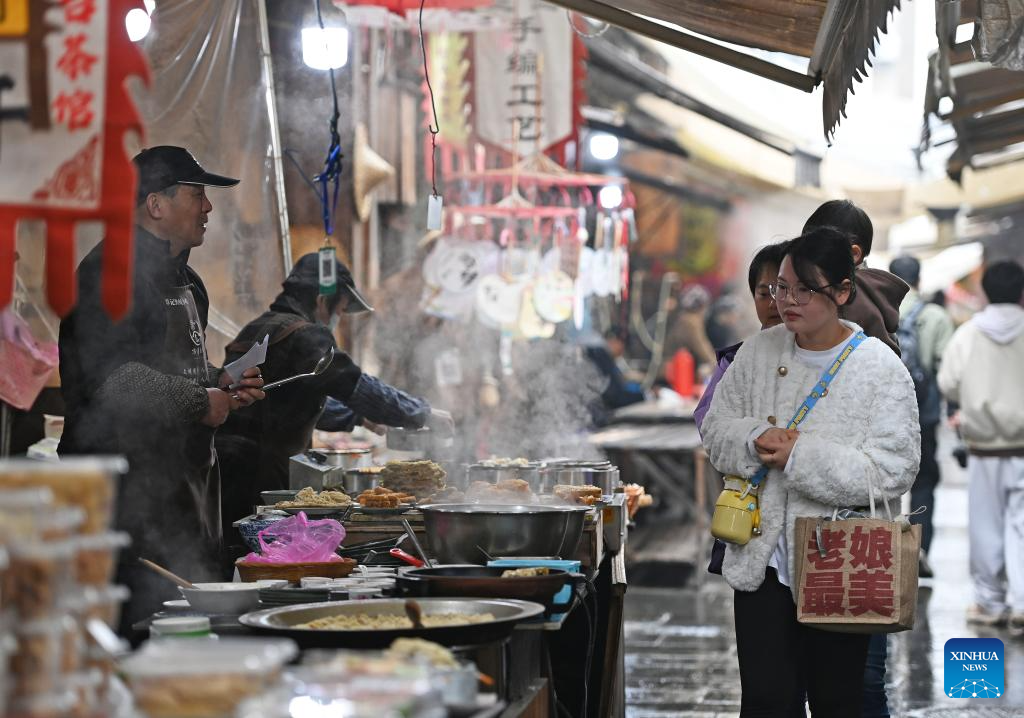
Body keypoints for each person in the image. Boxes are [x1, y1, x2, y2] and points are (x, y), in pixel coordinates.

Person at [702, 228, 919, 717]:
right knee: (765, 700)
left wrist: (801, 456)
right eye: (780, 287)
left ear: (842, 292)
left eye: (804, 289)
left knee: (836, 700)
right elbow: (716, 428)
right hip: (760, 557)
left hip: (837, 562)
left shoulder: (878, 368)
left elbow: (894, 468)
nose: (787, 301)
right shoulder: (758, 352)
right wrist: (754, 439)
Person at [58, 146, 266, 635]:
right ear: (156, 204)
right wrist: (201, 401)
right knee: (140, 637)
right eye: (197, 195)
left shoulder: (186, 279)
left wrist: (219, 379)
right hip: (126, 503)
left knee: (192, 634)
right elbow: (113, 380)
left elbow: (170, 365)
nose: (208, 208)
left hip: (184, 493)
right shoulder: (107, 276)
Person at [215, 253, 450, 543]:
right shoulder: (305, 336)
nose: (336, 320)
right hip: (259, 476)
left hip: (226, 472)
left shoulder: (258, 326)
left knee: (238, 550)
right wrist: (421, 413)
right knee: (262, 555)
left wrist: (358, 417)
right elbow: (355, 384)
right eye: (338, 309)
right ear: (321, 301)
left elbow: (292, 400)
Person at [938, 259, 1024, 628]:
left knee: (986, 526)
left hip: (984, 447)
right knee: (1022, 526)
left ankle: (990, 603)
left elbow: (949, 383)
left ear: (985, 291)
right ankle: (1022, 605)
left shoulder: (969, 334)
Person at [889, 256, 955, 577]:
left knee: (882, 478)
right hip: (923, 413)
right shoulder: (935, 316)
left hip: (884, 412)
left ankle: (880, 547)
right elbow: (947, 371)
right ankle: (919, 549)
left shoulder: (879, 311)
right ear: (920, 278)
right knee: (924, 479)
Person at [694, 241, 788, 433]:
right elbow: (708, 424)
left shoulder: (821, 354)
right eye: (763, 293)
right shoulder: (735, 361)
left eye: (781, 291)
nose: (772, 303)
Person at [803, 200, 908, 355]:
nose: (803, 257)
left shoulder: (851, 298)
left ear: (853, 254)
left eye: (814, 249)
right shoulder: (867, 290)